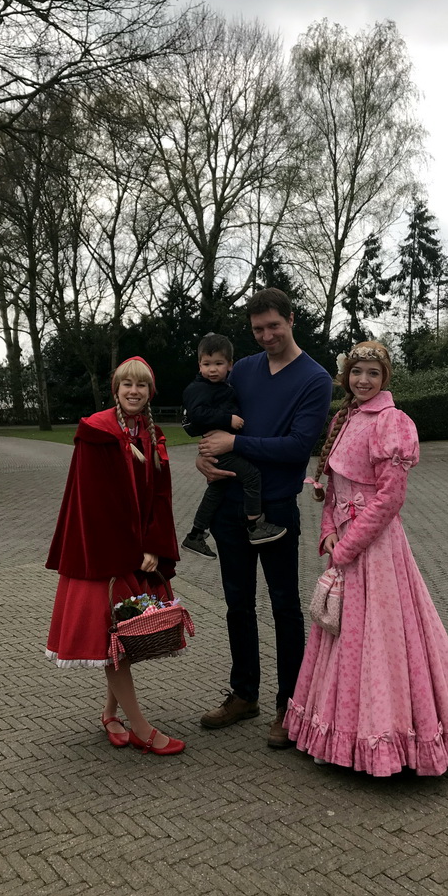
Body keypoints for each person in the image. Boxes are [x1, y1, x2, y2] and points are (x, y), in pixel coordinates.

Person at [285, 342, 448, 776]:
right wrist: (328, 531)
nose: (363, 380)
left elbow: (390, 498)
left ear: (385, 378)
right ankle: (340, 733)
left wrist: (347, 545)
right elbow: (336, 489)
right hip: (345, 544)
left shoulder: (391, 423)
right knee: (342, 635)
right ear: (345, 375)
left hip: (374, 550)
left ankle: (391, 737)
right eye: (356, 371)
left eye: (372, 373)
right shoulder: (345, 418)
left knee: (379, 637)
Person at [196, 288, 332, 748]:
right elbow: (216, 419)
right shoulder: (245, 368)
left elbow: (297, 447)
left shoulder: (315, 379)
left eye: (274, 326)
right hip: (230, 504)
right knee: (237, 603)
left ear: (292, 319)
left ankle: (289, 705)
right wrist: (205, 454)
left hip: (274, 508)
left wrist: (235, 445)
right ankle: (244, 694)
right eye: (258, 330)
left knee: (283, 606)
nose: (267, 336)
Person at [45, 356, 185, 756]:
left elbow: (161, 496)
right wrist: (127, 551)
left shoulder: (150, 433)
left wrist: (154, 546)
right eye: (127, 384)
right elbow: (94, 503)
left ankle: (111, 714)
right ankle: (141, 728)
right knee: (116, 639)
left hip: (139, 552)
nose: (134, 391)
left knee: (125, 637)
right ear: (116, 389)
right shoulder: (96, 431)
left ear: (150, 392)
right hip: (103, 555)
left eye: (141, 385)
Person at [181, 332, 287, 559]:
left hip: (224, 447)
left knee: (217, 488)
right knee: (251, 476)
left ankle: (195, 534)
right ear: (199, 365)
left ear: (229, 365)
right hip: (221, 447)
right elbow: (196, 415)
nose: (212, 369)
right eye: (207, 364)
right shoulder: (199, 388)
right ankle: (254, 526)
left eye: (218, 364)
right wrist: (227, 419)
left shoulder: (221, 386)